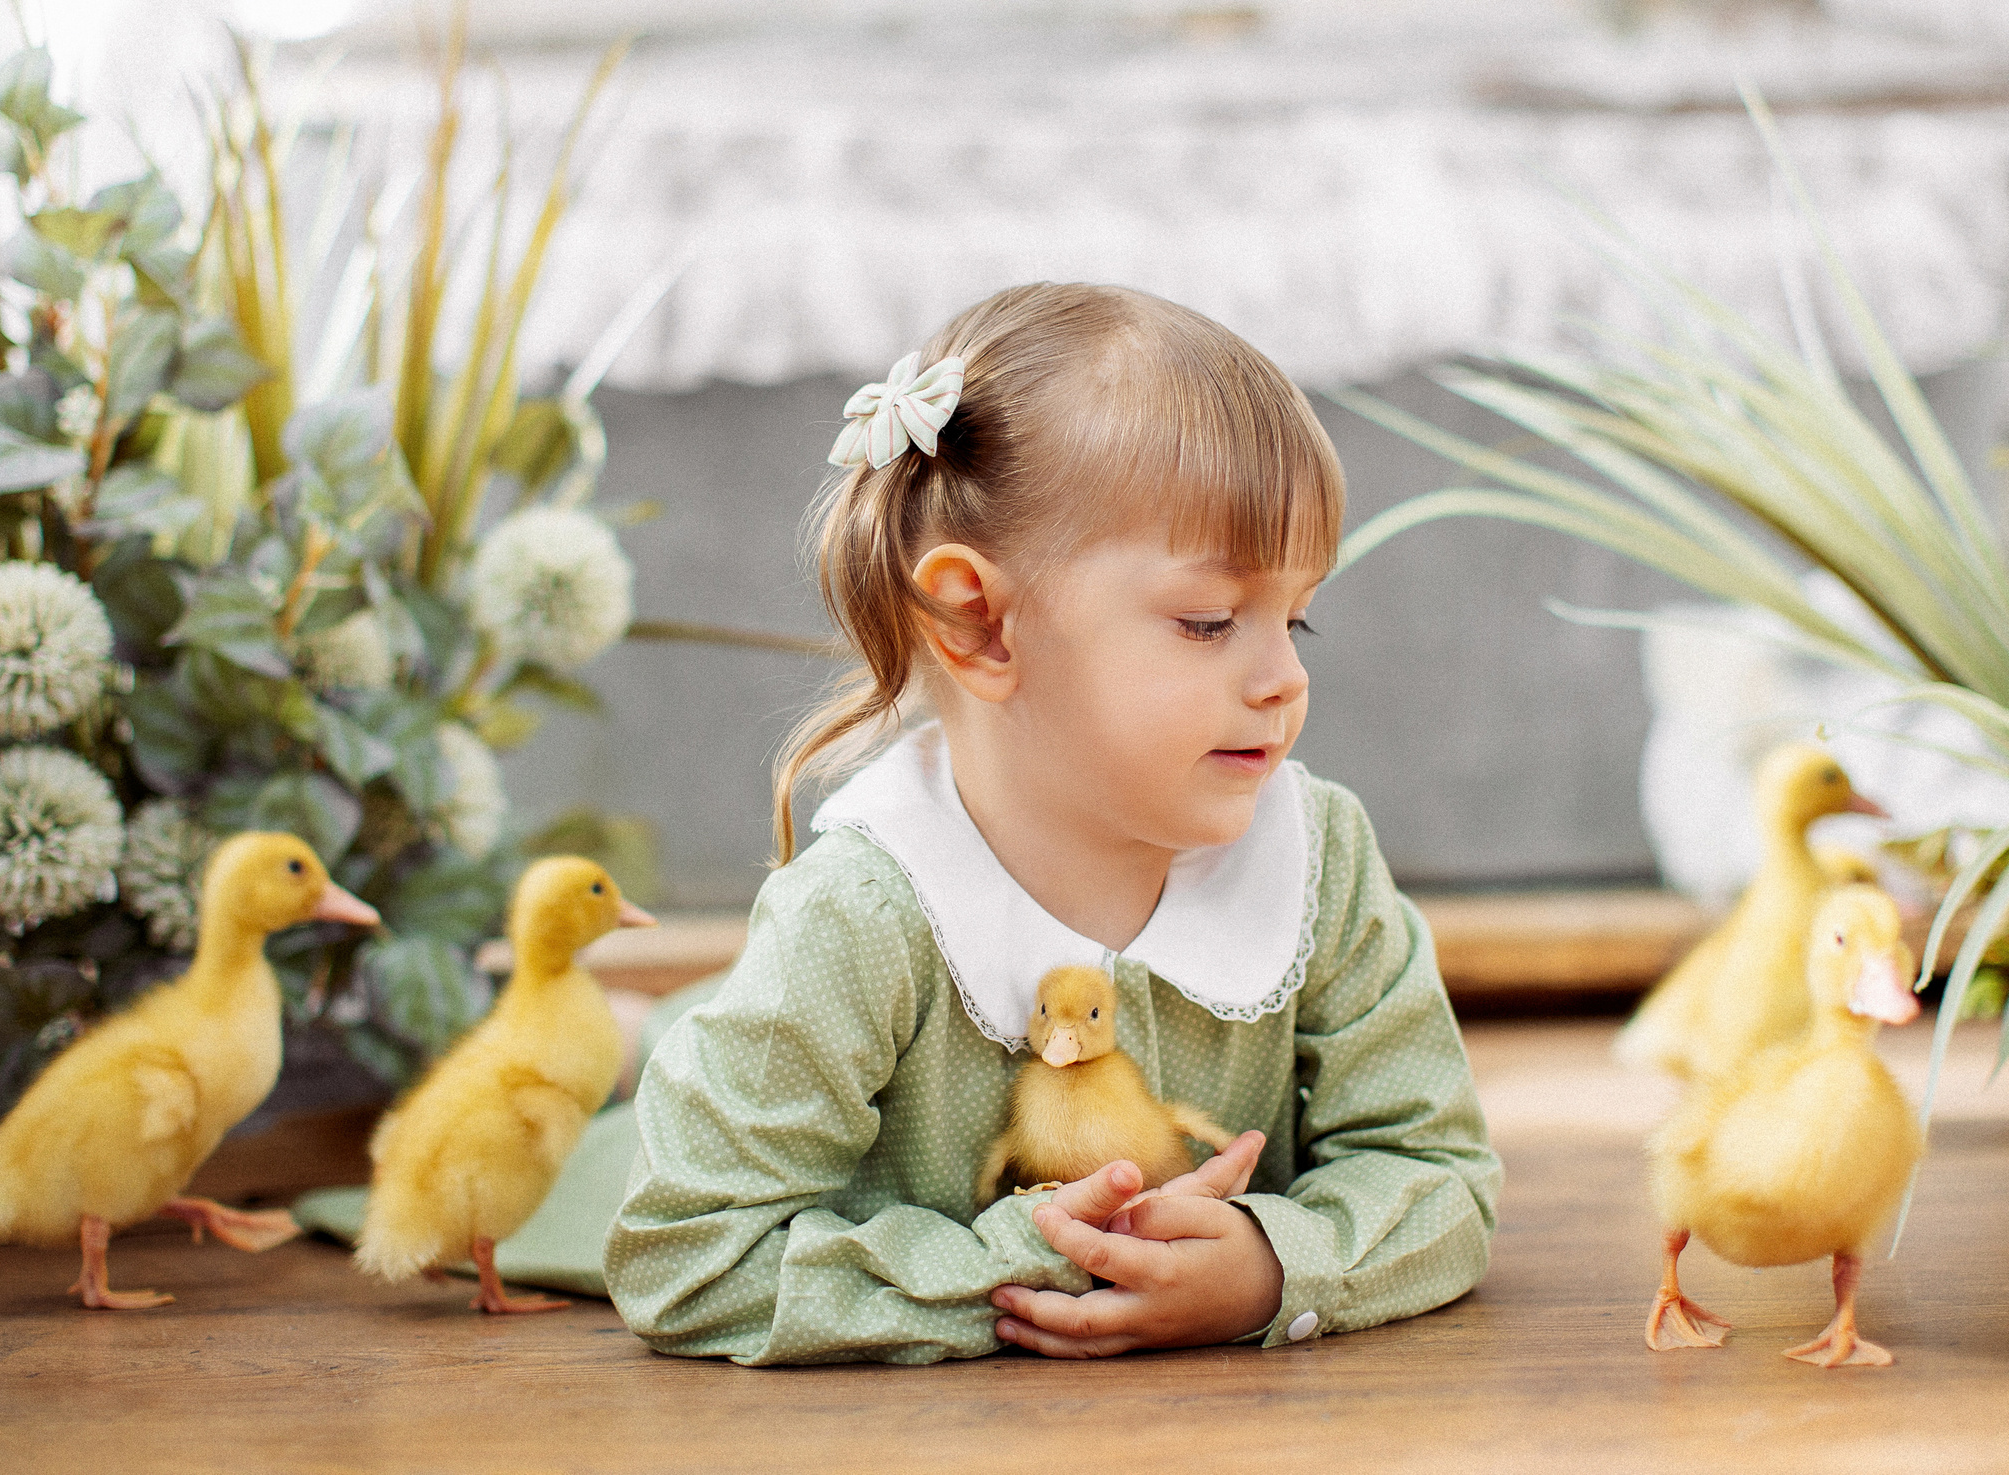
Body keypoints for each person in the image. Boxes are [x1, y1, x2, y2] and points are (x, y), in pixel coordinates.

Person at [603, 283, 1499, 1364]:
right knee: (606, 1102)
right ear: (979, 623)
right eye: (1209, 620)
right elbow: (691, 1255)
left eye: (1295, 617)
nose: (1285, 678)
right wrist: (1035, 1264)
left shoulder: (1320, 858)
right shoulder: (858, 916)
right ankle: (627, 1040)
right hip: (710, 1112)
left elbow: (1438, 1174)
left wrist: (1275, 1266)